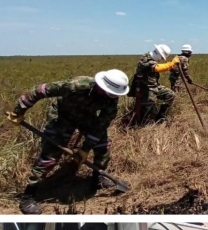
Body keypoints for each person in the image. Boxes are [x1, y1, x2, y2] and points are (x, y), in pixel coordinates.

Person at [6, 69, 130, 215]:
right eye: (109, 93)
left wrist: (85, 149)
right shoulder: (75, 85)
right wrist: (18, 111)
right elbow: (38, 90)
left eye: (114, 95)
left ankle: (98, 178)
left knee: (103, 145)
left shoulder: (112, 100)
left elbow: (101, 126)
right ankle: (29, 195)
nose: (112, 97)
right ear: (101, 86)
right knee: (51, 155)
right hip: (62, 115)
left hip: (86, 117)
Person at [130, 44, 180, 124]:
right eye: (161, 58)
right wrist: (172, 63)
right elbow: (158, 68)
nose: (161, 60)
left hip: (154, 86)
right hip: (145, 88)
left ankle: (160, 117)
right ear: (159, 54)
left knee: (170, 95)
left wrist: (172, 64)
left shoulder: (152, 59)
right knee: (150, 107)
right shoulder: (145, 59)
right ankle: (145, 125)